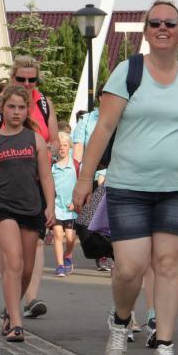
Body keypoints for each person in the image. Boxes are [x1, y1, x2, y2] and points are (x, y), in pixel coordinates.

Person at [73, 0, 178, 355]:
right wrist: (85, 178)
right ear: (146, 31)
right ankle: (120, 320)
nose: (162, 28)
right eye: (155, 23)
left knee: (168, 264)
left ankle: (165, 344)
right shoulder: (129, 71)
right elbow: (104, 128)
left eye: (170, 23)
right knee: (129, 268)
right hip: (128, 187)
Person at [0, 85, 56, 343]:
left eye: (21, 107)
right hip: (2, 208)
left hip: (31, 209)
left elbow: (46, 177)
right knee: (13, 261)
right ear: (2, 109)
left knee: (26, 270)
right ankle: (16, 323)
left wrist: (50, 205)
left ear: (27, 111)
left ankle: (10, 310)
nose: (16, 112)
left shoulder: (35, 140)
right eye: (11, 107)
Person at [0, 55, 60, 318]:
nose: (27, 84)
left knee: (36, 244)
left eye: (32, 80)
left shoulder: (44, 104)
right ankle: (13, 301)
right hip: (5, 184)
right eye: (21, 79)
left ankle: (31, 297)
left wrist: (48, 150)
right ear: (12, 77)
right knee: (11, 252)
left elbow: (55, 141)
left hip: (36, 182)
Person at [72, 89, 111, 272]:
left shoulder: (121, 118)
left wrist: (108, 173)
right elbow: (78, 150)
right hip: (91, 176)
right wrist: (79, 178)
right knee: (88, 221)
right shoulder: (87, 119)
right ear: (100, 98)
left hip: (113, 175)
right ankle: (102, 253)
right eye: (105, 95)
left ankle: (113, 255)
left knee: (110, 219)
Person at [51, 131, 78, 275]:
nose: (62, 148)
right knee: (58, 235)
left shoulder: (75, 165)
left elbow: (81, 186)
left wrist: (76, 202)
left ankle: (68, 254)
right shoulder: (52, 166)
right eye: (60, 145)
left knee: (70, 238)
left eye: (65, 145)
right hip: (56, 207)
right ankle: (60, 265)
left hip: (71, 208)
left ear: (70, 147)